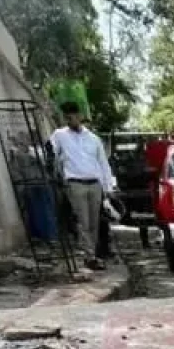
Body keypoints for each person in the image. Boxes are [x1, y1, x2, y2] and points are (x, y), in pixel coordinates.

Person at [49, 101, 115, 271]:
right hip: (75, 183)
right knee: (82, 220)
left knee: (94, 222)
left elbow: (103, 163)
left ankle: (91, 254)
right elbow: (50, 152)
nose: (70, 120)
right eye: (67, 117)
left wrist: (108, 188)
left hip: (95, 184)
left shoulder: (93, 139)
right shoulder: (60, 135)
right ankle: (89, 255)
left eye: (73, 116)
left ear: (80, 117)